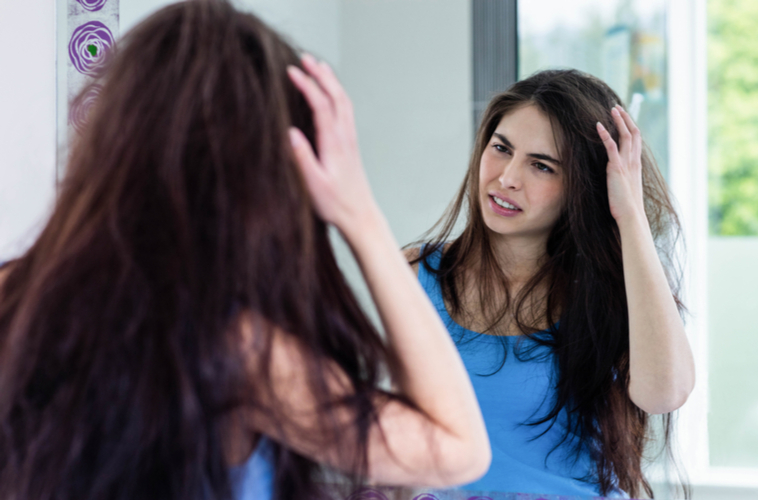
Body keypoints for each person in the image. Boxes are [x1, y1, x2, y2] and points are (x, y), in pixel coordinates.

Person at [0, 2, 491, 499]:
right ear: (269, 178)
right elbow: (459, 449)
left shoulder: (13, 294)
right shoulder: (235, 352)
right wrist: (359, 213)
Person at [403, 70, 695, 498]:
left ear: (582, 186)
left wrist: (629, 214)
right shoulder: (416, 273)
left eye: (542, 165)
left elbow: (665, 394)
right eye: (501, 148)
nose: (507, 178)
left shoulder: (611, 290)